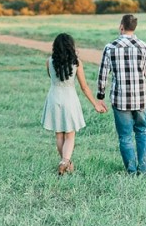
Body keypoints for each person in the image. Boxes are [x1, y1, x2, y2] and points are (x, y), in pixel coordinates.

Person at [96, 14, 146, 175]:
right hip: (140, 99)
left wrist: (100, 96)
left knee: (125, 136)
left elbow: (102, 75)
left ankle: (131, 171)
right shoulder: (144, 47)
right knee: (142, 131)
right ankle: (144, 169)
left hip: (120, 99)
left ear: (121, 26)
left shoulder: (110, 48)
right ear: (134, 28)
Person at [41, 33, 107, 176]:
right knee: (70, 135)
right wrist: (95, 104)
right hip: (69, 99)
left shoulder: (49, 61)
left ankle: (64, 162)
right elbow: (84, 87)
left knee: (59, 135)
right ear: (71, 46)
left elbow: (51, 77)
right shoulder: (76, 62)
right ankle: (65, 161)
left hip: (54, 97)